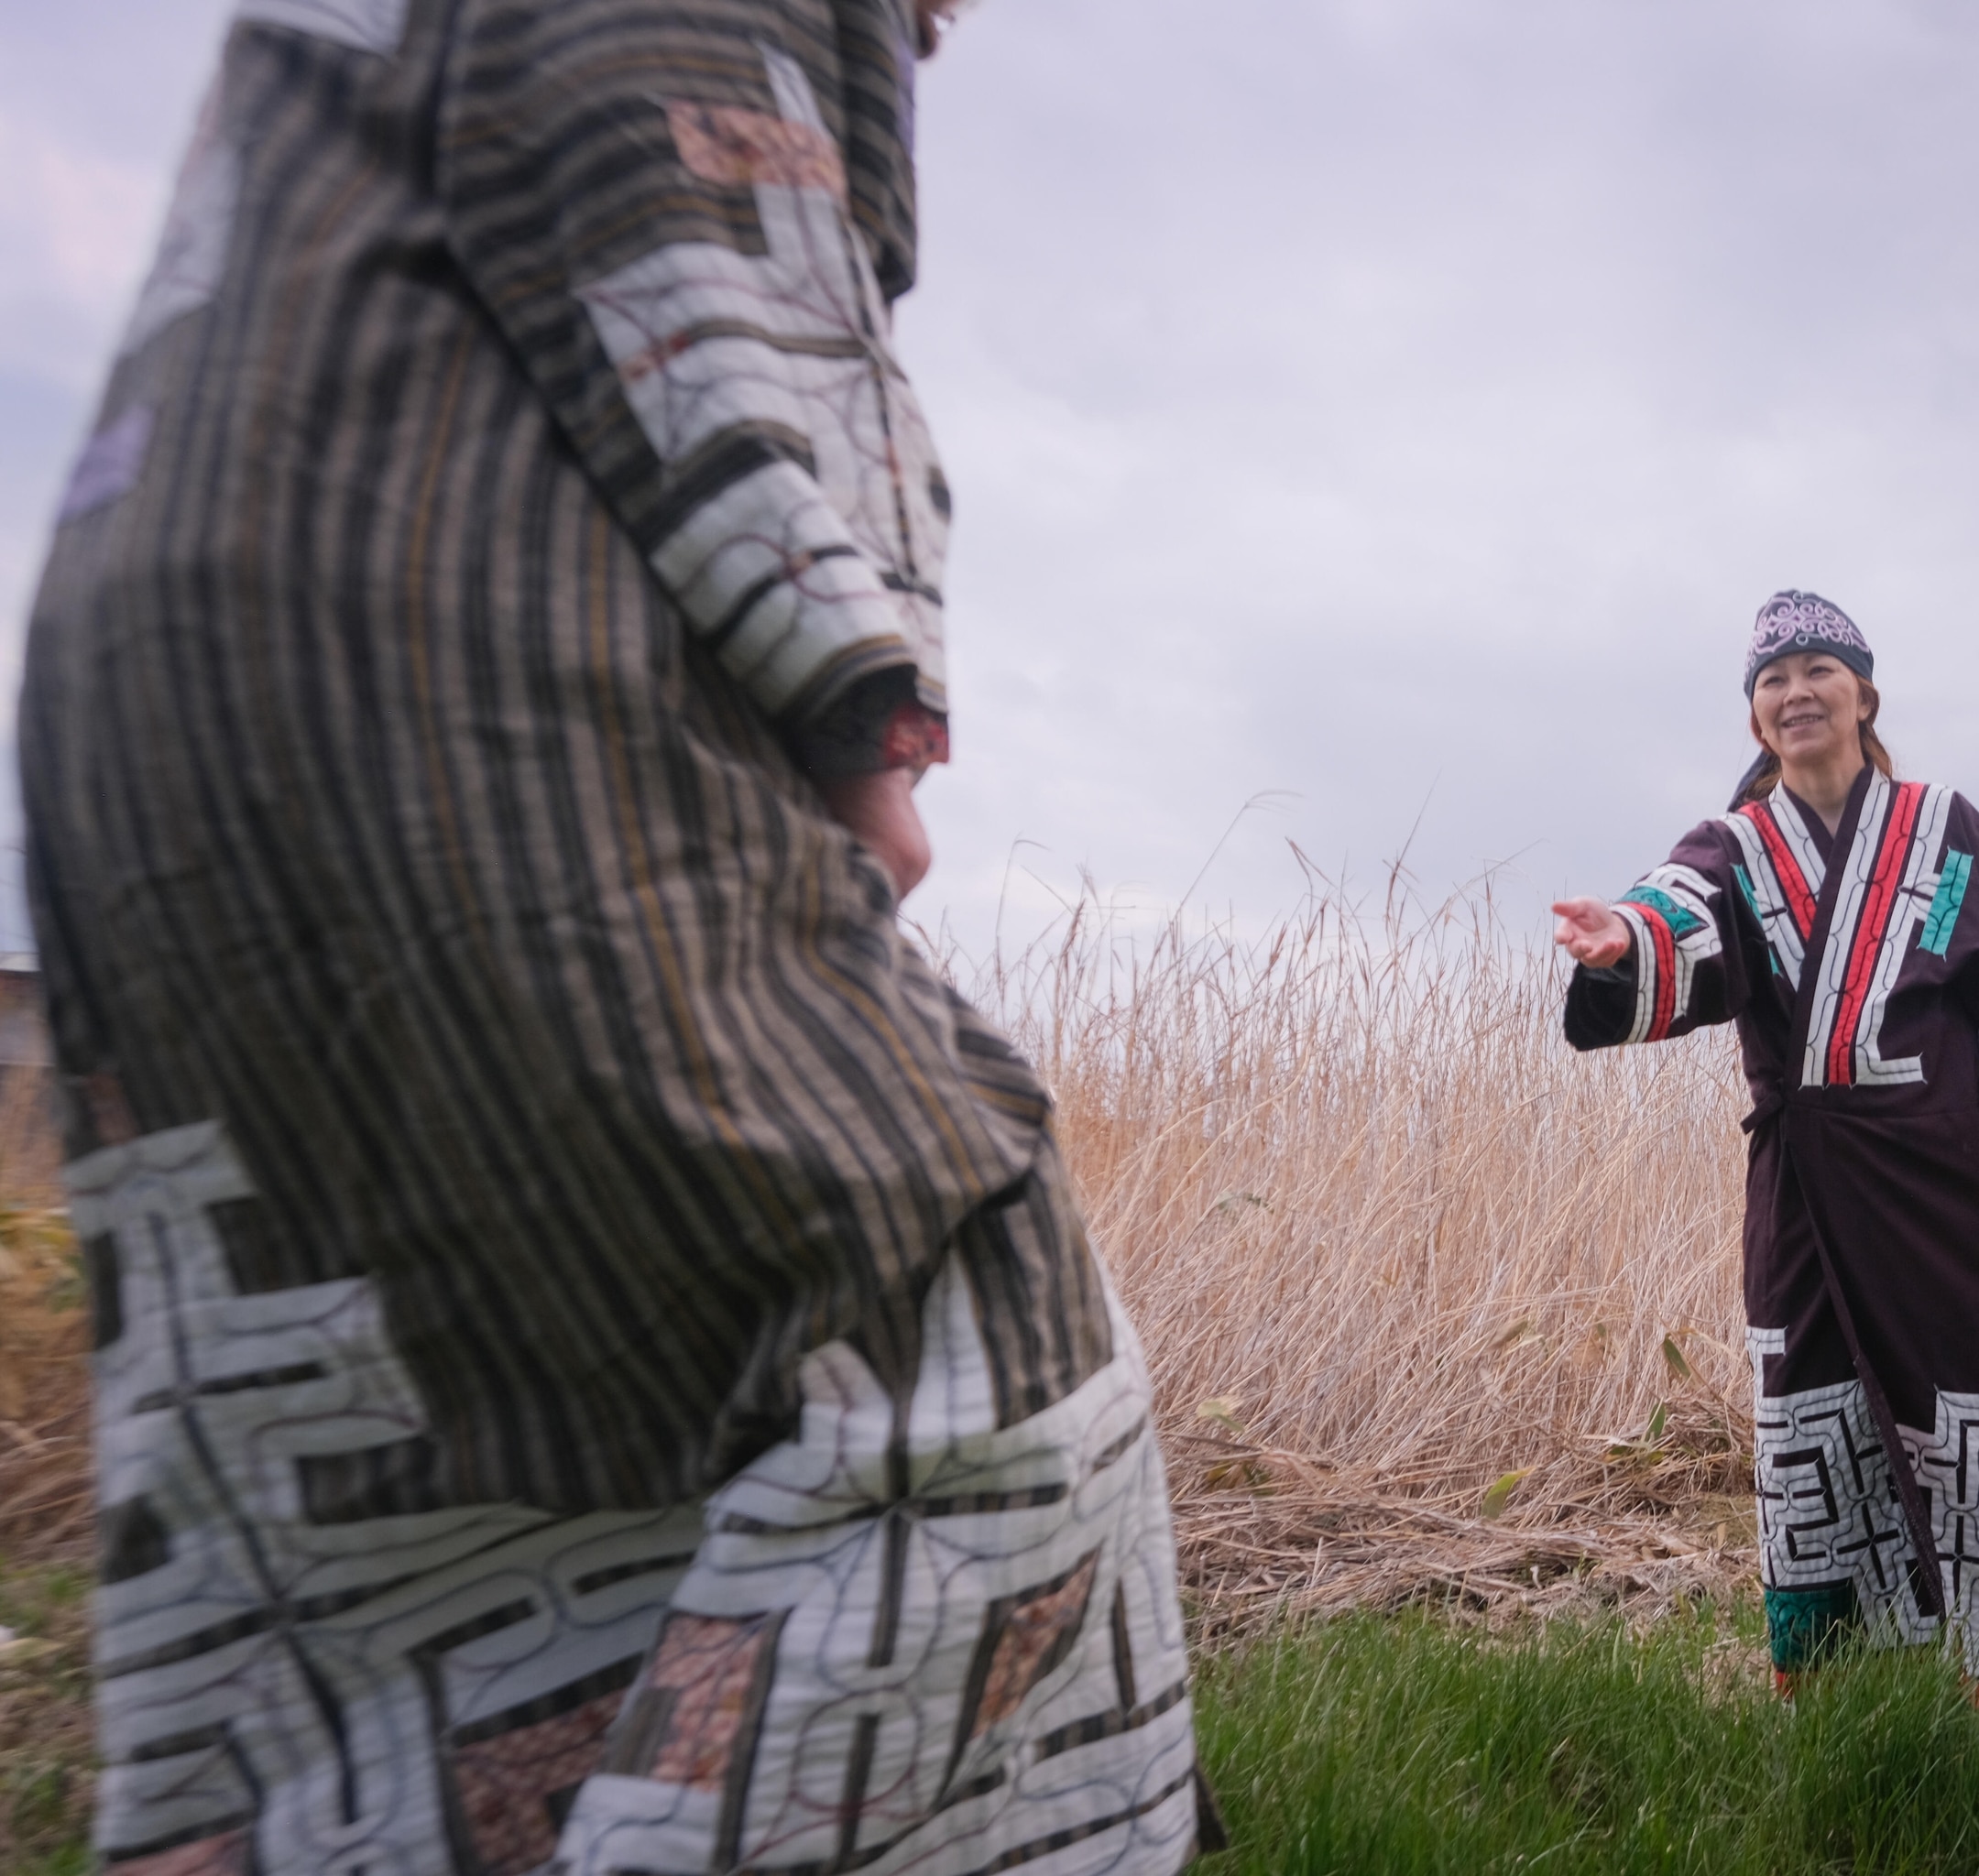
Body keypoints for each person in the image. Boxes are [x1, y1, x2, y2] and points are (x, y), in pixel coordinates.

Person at [19, 2, 1215, 1871]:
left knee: (398, 1466)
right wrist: (851, 687)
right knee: (958, 1351)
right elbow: (679, 199)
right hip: (433, 649)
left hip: (161, 685)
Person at [1553, 592, 1979, 1697]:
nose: (1795, 691)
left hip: (1949, 1175)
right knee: (1807, 1409)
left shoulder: (1948, 827)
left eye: (1818, 669)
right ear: (1756, 719)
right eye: (1772, 680)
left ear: (1865, 694)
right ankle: (1826, 1688)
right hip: (1807, 1188)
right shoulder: (1731, 846)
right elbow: (1677, 911)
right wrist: (1623, 936)